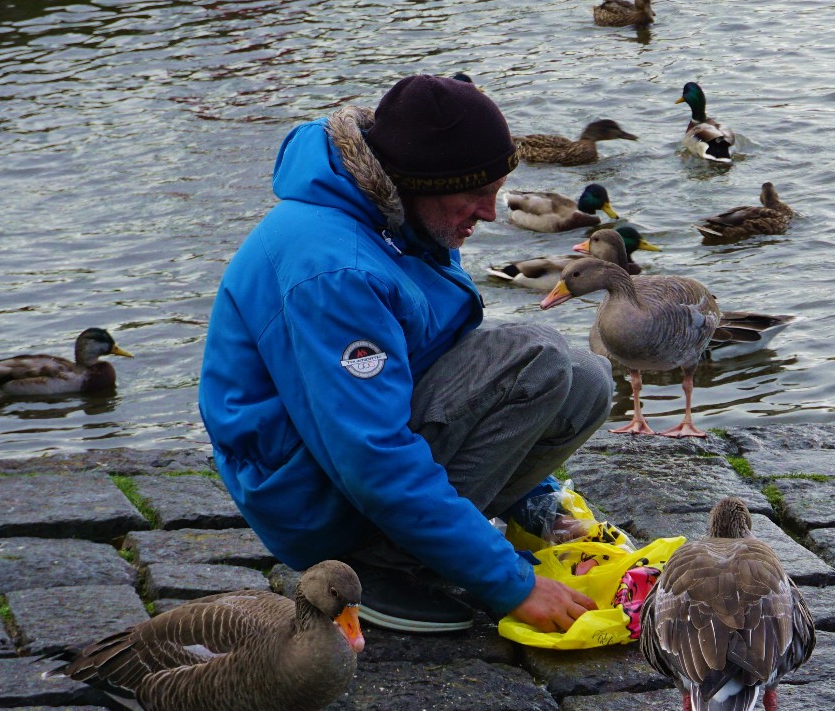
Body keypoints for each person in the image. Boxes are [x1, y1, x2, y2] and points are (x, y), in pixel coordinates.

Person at [200, 74, 613, 634]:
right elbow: (371, 454)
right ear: (420, 181)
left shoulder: (398, 220)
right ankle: (378, 565)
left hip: (335, 460)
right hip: (314, 501)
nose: (490, 213)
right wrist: (509, 584)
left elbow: (440, 360)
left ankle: (439, 540)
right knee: (535, 354)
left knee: (587, 378)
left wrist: (533, 496)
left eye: (496, 189)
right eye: (476, 194)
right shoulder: (334, 268)